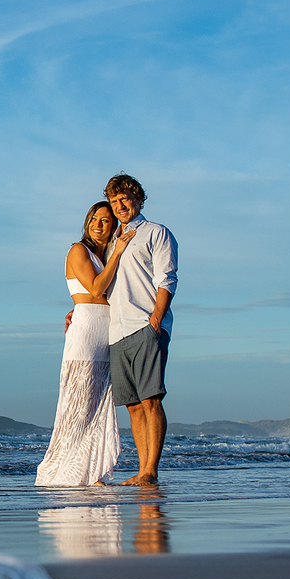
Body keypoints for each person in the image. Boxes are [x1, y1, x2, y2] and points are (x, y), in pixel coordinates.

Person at [35, 202, 136, 486]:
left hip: (109, 330)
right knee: (78, 403)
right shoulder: (78, 250)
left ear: (114, 226)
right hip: (86, 334)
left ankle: (94, 474)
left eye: (106, 220)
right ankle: (64, 472)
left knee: (100, 402)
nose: (99, 224)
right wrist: (117, 252)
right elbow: (94, 288)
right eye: (95, 219)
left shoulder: (104, 255)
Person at [103, 173, 178, 486]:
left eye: (124, 199)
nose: (120, 206)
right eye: (114, 201)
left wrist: (157, 317)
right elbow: (104, 285)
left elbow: (167, 277)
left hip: (145, 326)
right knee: (133, 406)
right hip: (115, 332)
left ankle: (151, 471)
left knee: (151, 400)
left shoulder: (155, 232)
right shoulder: (110, 244)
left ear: (138, 199)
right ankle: (142, 469)